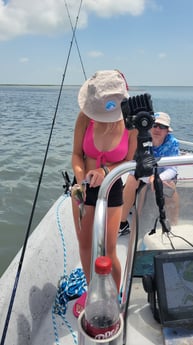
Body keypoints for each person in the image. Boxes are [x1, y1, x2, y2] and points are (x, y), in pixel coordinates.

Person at [71, 70, 137, 294]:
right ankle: (92, 293)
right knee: (86, 247)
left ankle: (114, 296)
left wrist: (106, 170)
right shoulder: (84, 117)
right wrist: (81, 180)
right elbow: (76, 155)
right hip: (83, 188)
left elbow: (130, 160)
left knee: (109, 250)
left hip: (113, 187)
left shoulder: (132, 125)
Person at [119, 112, 180, 235]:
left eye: (162, 127)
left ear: (167, 131)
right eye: (155, 125)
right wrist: (148, 177)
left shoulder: (173, 143)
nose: (157, 129)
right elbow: (133, 166)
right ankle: (122, 223)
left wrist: (158, 178)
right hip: (144, 174)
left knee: (171, 188)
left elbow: (173, 169)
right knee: (131, 179)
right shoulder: (141, 139)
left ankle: (174, 224)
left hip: (163, 175)